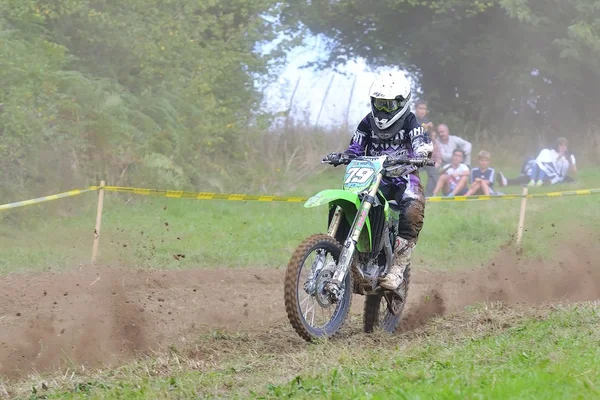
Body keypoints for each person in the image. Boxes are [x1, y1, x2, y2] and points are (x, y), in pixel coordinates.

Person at [325, 71, 433, 291]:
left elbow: (421, 141)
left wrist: (422, 153)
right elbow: (356, 146)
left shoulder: (410, 120)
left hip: (403, 175)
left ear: (402, 103)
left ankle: (397, 269)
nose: (383, 110)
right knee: (346, 201)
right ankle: (335, 255)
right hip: (373, 175)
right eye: (379, 104)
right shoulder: (367, 121)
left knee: (412, 209)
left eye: (389, 105)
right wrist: (345, 155)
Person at [499, 137, 577, 187]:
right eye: (561, 145)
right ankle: (507, 181)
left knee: (532, 177)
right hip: (548, 174)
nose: (563, 147)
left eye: (565, 145)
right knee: (532, 173)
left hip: (558, 177)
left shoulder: (570, 156)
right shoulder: (552, 153)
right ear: (557, 146)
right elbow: (547, 164)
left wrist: (570, 161)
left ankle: (507, 182)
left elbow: (573, 172)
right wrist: (559, 157)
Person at [414, 100, 442, 196]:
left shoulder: (426, 120)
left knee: (434, 173)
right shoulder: (411, 119)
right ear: (416, 109)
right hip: (412, 153)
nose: (422, 111)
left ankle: (427, 196)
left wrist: (430, 129)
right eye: (420, 108)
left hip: (424, 154)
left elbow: (429, 138)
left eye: (424, 109)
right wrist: (425, 126)